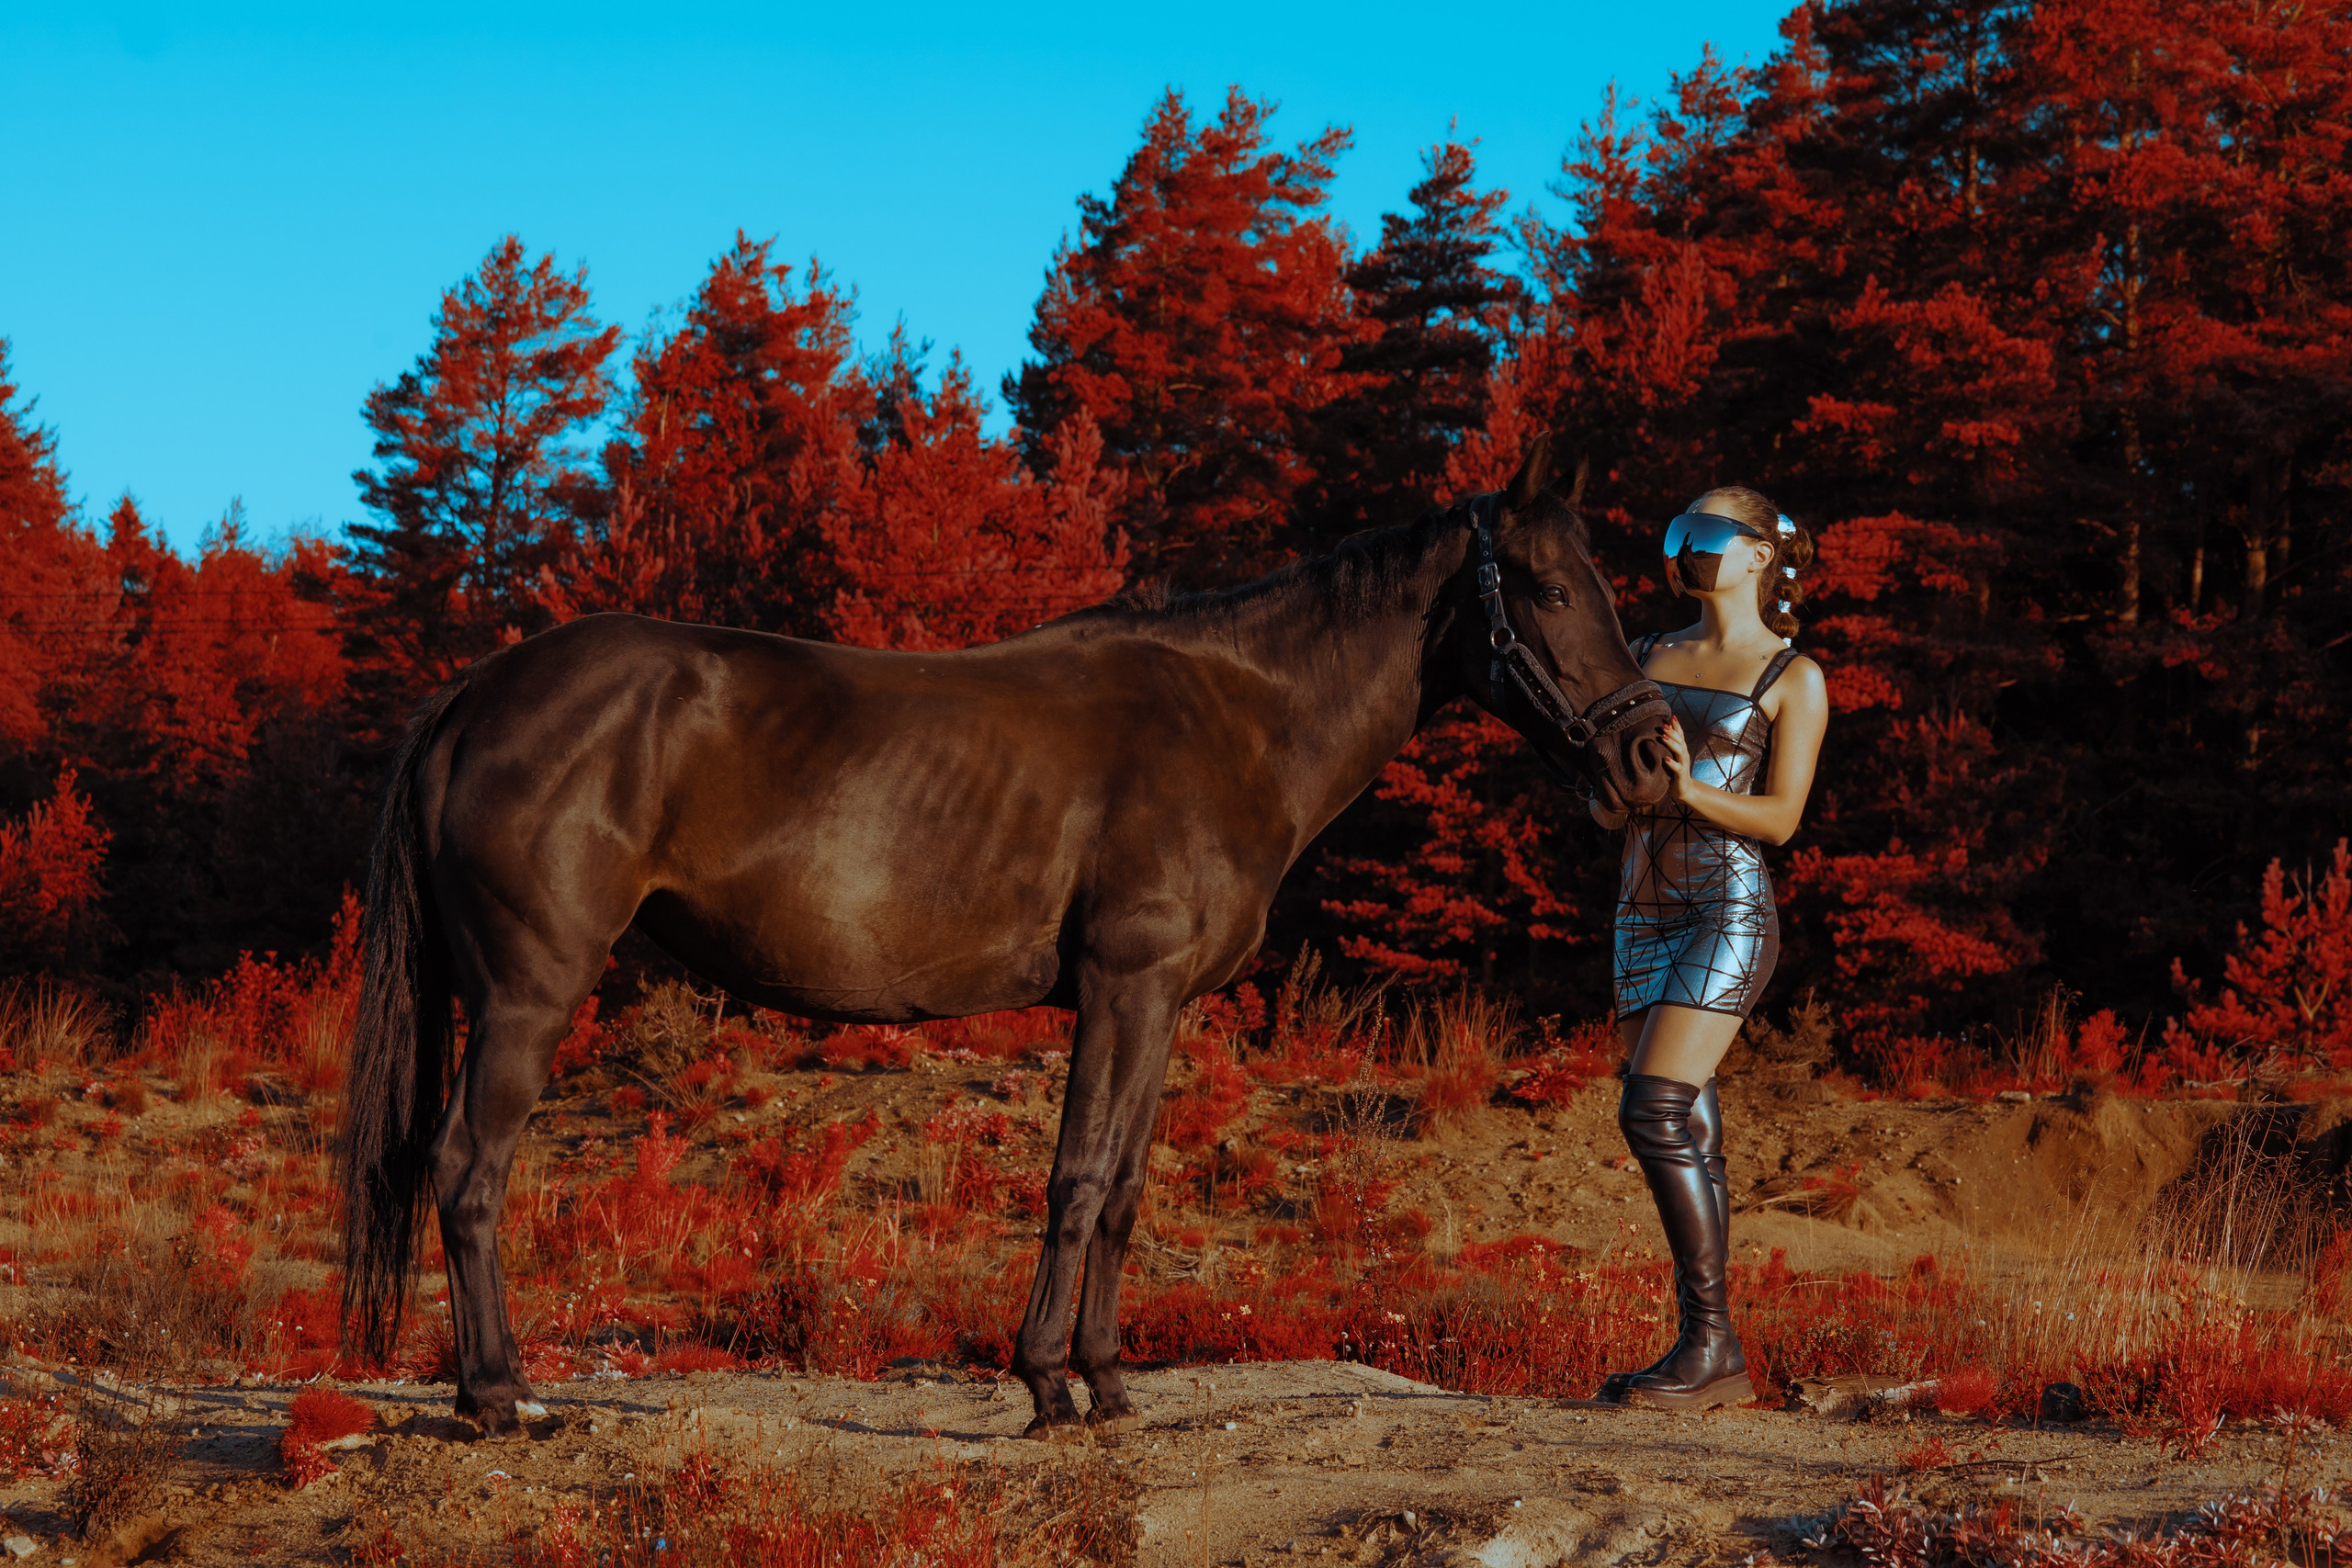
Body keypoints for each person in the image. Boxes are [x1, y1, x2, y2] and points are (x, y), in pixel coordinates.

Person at [1588, 485, 1829, 1410]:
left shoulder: (1789, 677)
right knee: (1693, 1131)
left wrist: (1686, 794)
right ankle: (1710, 1362)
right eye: (1675, 529)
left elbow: (1780, 819)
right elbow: (1614, 788)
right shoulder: (1648, 653)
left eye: (1705, 534)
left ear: (1761, 554)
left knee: (1651, 1112)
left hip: (1723, 911)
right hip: (1636, 907)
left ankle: (1709, 1341)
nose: (1684, 547)